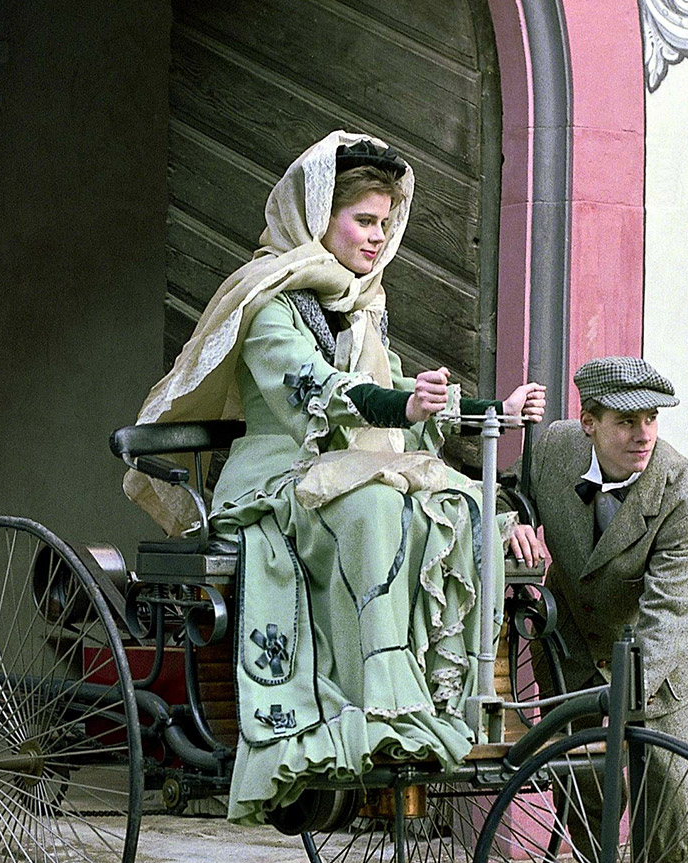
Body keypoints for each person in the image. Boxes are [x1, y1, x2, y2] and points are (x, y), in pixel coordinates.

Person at [124, 131, 546, 826]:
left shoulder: (361, 305)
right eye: (364, 220)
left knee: (455, 505)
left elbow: (396, 386)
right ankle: (372, 708)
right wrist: (400, 408)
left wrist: (486, 408)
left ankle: (447, 699)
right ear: (318, 215)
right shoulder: (268, 303)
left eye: (385, 223)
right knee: (377, 505)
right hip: (278, 476)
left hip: (348, 471)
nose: (378, 237)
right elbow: (313, 389)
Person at [503, 356, 688, 863]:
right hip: (572, 648)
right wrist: (513, 522)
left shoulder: (682, 495)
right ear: (589, 422)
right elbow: (508, 489)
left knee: (667, 787)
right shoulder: (554, 451)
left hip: (652, 659)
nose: (643, 434)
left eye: (651, 419)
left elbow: (673, 613)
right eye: (626, 421)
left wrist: (623, 697)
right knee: (586, 788)